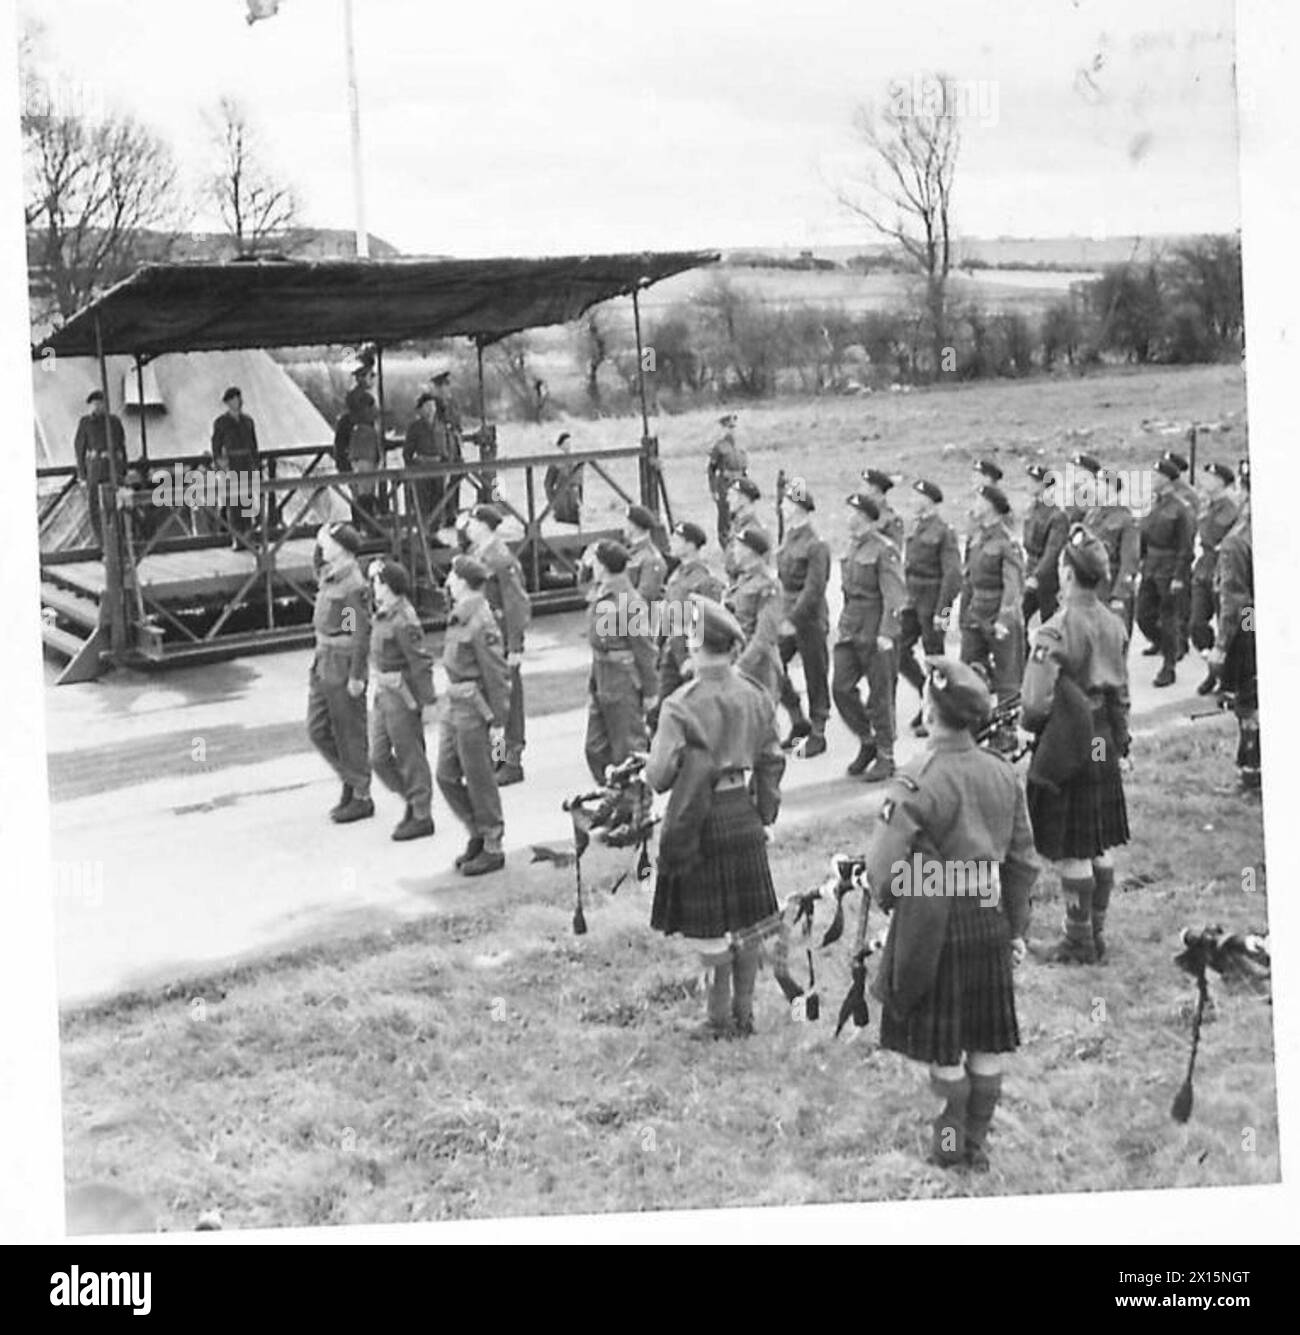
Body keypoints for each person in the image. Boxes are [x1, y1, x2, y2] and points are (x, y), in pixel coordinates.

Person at [862, 656, 1037, 1171]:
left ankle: (948, 1150)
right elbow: (1023, 862)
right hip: (989, 915)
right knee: (986, 1039)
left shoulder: (917, 779)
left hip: (935, 922)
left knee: (944, 1049)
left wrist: (902, 901)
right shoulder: (1002, 773)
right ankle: (975, 1146)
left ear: (930, 708)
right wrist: (1016, 928)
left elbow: (883, 874)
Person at [647, 597, 785, 1041]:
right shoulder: (755, 693)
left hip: (698, 817)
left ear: (693, 642)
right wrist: (764, 814)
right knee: (747, 924)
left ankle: (717, 1017)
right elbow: (771, 761)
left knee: (710, 931)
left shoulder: (680, 703)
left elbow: (659, 776)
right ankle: (745, 1015)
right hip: (742, 813)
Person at [1021, 525, 1131, 965]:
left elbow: (1034, 700)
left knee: (1071, 846)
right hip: (1104, 734)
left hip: (1070, 738)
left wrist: (1032, 729)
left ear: (1066, 574)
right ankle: (1096, 931)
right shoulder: (1114, 623)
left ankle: (1077, 940)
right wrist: (1122, 739)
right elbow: (1122, 691)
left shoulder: (1055, 629)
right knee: (1098, 840)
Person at [437, 555, 510, 875]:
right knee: (446, 774)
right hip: (454, 704)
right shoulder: (460, 615)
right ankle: (476, 831)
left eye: (452, 577)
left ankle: (493, 844)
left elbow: (496, 674)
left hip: (474, 707)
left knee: (480, 778)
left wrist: (498, 722)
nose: (448, 582)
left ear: (464, 581)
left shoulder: (481, 620)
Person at [585, 541, 659, 831]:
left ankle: (638, 815)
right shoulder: (603, 594)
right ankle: (618, 800)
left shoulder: (628, 600)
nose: (590, 565)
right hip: (602, 673)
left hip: (623, 677)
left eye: (594, 561)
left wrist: (651, 691)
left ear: (602, 564)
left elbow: (645, 649)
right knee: (596, 747)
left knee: (629, 751)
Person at [833, 493, 906, 783]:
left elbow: (895, 596)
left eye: (851, 512)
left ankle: (886, 756)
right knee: (840, 687)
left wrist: (887, 632)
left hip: (876, 628)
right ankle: (867, 739)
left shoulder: (883, 549)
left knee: (880, 695)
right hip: (852, 625)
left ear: (863, 517)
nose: (846, 517)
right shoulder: (853, 547)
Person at [367, 559, 437, 841]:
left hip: (402, 695)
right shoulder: (384, 614)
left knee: (410, 755)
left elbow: (420, 662)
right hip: (383, 693)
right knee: (378, 757)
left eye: (377, 583)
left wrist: (428, 702)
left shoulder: (403, 619)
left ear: (389, 586)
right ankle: (411, 797)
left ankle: (421, 813)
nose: (374, 588)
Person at [307, 522, 373, 824]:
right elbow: (317, 566)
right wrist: (318, 548)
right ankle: (351, 777)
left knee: (349, 731)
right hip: (323, 657)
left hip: (342, 660)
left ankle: (361, 794)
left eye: (326, 541)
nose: (322, 545)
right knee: (318, 728)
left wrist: (357, 674)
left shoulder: (351, 584)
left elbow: (358, 632)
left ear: (342, 548)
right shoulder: (331, 574)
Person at [465, 505, 531, 786]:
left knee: (507, 703)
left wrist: (515, 645)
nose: (466, 526)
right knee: (493, 702)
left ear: (483, 525)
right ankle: (497, 757)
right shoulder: (476, 554)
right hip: (484, 640)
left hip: (501, 640)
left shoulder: (501, 558)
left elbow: (516, 603)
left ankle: (511, 759)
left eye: (471, 521)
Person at [959, 484, 1025, 751]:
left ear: (991, 506)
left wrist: (1004, 620)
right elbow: (966, 580)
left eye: (979, 498)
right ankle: (975, 724)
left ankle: (1007, 732)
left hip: (999, 616)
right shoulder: (977, 538)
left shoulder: (1006, 541)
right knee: (968, 670)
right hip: (976, 613)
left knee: (1007, 676)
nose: (974, 503)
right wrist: (960, 616)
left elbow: (1013, 585)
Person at [897, 479, 961, 739]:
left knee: (936, 656)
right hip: (913, 599)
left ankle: (939, 710)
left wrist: (943, 610)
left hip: (935, 601)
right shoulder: (916, 527)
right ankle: (928, 695)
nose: (912, 501)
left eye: (916, 496)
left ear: (928, 500)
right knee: (900, 650)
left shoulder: (944, 532)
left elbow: (953, 575)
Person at [1208, 459, 1257, 796]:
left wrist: (1224, 646)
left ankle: (1251, 773)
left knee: (1248, 704)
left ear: (1240, 489)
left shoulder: (1237, 541)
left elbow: (1237, 603)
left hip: (1248, 627)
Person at [775, 477, 831, 755]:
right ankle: (798, 718)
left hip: (808, 619)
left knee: (815, 674)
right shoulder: (789, 538)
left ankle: (819, 731)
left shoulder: (815, 543)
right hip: (787, 614)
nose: (782, 506)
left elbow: (814, 589)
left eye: (786, 502)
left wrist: (792, 620)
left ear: (797, 507)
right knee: (773, 663)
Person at [1137, 456, 1194, 687]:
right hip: (1151, 565)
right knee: (1143, 616)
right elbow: (1143, 533)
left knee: (1169, 618)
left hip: (1170, 568)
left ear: (1167, 480)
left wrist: (1180, 576)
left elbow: (1186, 546)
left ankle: (1168, 666)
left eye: (1156, 476)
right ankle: (1167, 644)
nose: (1152, 479)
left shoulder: (1181, 509)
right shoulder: (1153, 503)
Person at [655, 521, 723, 715]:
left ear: (691, 545)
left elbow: (706, 622)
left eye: (677, 539)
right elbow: (667, 615)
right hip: (672, 652)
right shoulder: (676, 575)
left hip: (691, 653)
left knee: (698, 709)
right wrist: (657, 646)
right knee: (662, 709)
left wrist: (693, 657)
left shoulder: (704, 580)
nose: (671, 542)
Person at [1190, 462, 1240, 696]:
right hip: (1204, 568)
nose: (1204, 481)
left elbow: (1212, 534)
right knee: (1197, 624)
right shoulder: (1207, 505)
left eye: (1210, 477)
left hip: (1224, 568)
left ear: (1221, 481)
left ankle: (1226, 679)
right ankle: (1213, 666)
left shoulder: (1229, 507)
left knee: (1227, 625)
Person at [726, 526, 783, 701]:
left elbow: (765, 635)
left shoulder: (767, 584)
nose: (733, 551)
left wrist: (741, 666)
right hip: (737, 660)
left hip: (758, 668)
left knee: (760, 723)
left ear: (749, 551)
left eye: (737, 547)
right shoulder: (743, 581)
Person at [1082, 466, 1139, 637]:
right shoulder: (1092, 515)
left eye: (1098, 485)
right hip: (1090, 586)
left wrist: (1120, 595)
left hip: (1110, 585)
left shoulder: (1126, 519)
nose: (1093, 489)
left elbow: (1130, 560)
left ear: (1111, 488)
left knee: (1113, 641)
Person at [73, 389, 128, 548]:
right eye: (94, 404)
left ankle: (118, 541)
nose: (97, 407)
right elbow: (79, 449)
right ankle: (101, 543)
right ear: (90, 406)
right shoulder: (85, 423)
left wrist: (123, 469)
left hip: (113, 469)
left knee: (116, 505)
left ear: (105, 404)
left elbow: (122, 448)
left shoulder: (114, 421)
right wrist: (82, 475)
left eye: (100, 403)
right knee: (95, 507)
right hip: (95, 469)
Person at [211, 386, 262, 549]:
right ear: (227, 403)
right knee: (234, 504)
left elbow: (254, 445)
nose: (237, 402)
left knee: (247, 502)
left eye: (239, 399)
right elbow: (216, 447)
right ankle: (237, 538)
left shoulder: (248, 421)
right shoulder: (221, 423)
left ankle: (249, 537)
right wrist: (221, 465)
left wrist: (256, 465)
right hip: (231, 465)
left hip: (246, 464)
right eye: (233, 399)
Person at [1021, 463, 1069, 635]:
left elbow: (1052, 551)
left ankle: (1055, 659)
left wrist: (1036, 576)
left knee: (1051, 622)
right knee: (1020, 617)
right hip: (1030, 569)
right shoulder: (1031, 510)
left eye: (1032, 481)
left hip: (1047, 577)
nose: (1027, 484)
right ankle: (1022, 658)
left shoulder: (1057, 515)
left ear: (1043, 485)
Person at [403, 392, 451, 532]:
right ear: (421, 410)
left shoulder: (441, 426)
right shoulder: (415, 427)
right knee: (423, 503)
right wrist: (414, 467)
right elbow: (407, 454)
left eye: (433, 406)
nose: (430, 409)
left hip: (439, 469)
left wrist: (448, 467)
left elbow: (447, 450)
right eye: (427, 406)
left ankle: (437, 532)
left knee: (439, 501)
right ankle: (425, 533)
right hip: (422, 471)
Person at [707, 412, 748, 545]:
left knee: (740, 514)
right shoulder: (719, 447)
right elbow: (711, 469)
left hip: (739, 484)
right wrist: (713, 490)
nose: (732, 430)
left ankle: (739, 540)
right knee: (725, 515)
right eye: (729, 427)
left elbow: (744, 469)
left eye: (734, 427)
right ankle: (724, 541)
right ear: (724, 429)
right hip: (725, 485)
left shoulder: (741, 447)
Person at [429, 366, 465, 513]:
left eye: (447, 385)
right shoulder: (433, 405)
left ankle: (453, 511)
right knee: (440, 484)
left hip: (454, 447)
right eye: (443, 386)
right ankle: (441, 513)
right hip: (441, 448)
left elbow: (457, 422)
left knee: (456, 480)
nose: (446, 389)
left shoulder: (452, 403)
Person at [722, 476, 768, 581]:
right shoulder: (738, 525)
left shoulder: (754, 529)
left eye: (732, 495)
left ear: (743, 499)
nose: (727, 499)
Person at [624, 504, 667, 608]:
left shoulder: (651, 559)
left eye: (627, 523)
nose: (624, 527)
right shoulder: (631, 551)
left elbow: (644, 598)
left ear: (633, 526)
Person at [543, 432, 585, 526]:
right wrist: (553, 503)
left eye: (570, 444)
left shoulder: (578, 461)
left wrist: (581, 502)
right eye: (566, 444)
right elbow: (548, 485)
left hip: (574, 501)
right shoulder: (556, 463)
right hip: (561, 500)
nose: (569, 446)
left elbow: (580, 484)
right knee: (562, 526)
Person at [861, 468, 905, 549]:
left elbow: (897, 548)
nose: (866, 492)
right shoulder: (865, 516)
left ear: (876, 490)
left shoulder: (891, 519)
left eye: (869, 487)